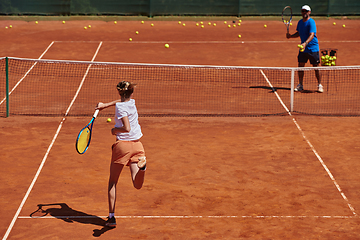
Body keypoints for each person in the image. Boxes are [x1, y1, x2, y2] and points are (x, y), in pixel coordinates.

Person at [96, 81, 147, 227]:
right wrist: (105, 105)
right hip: (138, 145)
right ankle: (142, 169)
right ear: (131, 93)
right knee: (137, 184)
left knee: (112, 182)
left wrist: (114, 130)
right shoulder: (132, 103)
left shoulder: (121, 107)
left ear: (119, 92)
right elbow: (122, 101)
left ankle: (111, 218)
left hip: (122, 147)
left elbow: (127, 128)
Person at [286, 5, 323, 93]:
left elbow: (312, 35)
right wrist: (291, 36)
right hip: (303, 49)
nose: (304, 12)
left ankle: (319, 85)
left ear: (309, 12)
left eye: (306, 11)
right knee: (300, 66)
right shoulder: (300, 22)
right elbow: (299, 33)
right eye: (303, 11)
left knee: (316, 67)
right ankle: (300, 85)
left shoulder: (311, 22)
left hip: (313, 48)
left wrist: (305, 43)